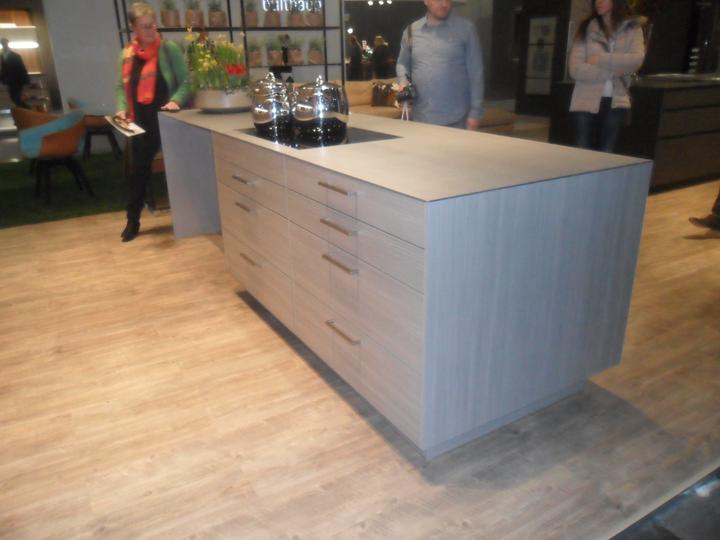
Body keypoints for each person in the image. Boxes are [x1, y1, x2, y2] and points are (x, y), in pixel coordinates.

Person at [115, 2, 189, 242]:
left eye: (153, 25)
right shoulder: (126, 55)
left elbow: (186, 82)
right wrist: (121, 107)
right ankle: (132, 220)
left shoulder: (168, 50)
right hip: (140, 122)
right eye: (145, 26)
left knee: (181, 169)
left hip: (167, 119)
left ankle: (190, 216)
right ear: (134, 27)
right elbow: (120, 87)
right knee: (139, 172)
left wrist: (176, 100)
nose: (151, 30)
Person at [568, 0, 645, 152]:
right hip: (585, 100)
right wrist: (614, 71)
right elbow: (575, 69)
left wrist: (600, 59)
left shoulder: (632, 28)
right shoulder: (587, 27)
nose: (599, 2)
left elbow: (636, 60)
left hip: (617, 101)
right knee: (582, 151)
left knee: (608, 153)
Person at [396, 0, 484, 130]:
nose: (444, 4)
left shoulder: (466, 29)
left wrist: (475, 113)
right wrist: (403, 82)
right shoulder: (411, 32)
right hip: (420, 119)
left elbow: (476, 73)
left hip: (457, 121)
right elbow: (402, 63)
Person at [0, 37, 30, 109]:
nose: (4, 44)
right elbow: (3, 69)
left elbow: (22, 69)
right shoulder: (1, 55)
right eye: (2, 43)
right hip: (8, 80)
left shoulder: (15, 56)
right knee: (14, 97)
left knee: (16, 97)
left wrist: (25, 81)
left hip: (16, 80)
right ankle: (25, 110)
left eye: (4, 43)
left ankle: (27, 110)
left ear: (7, 43)